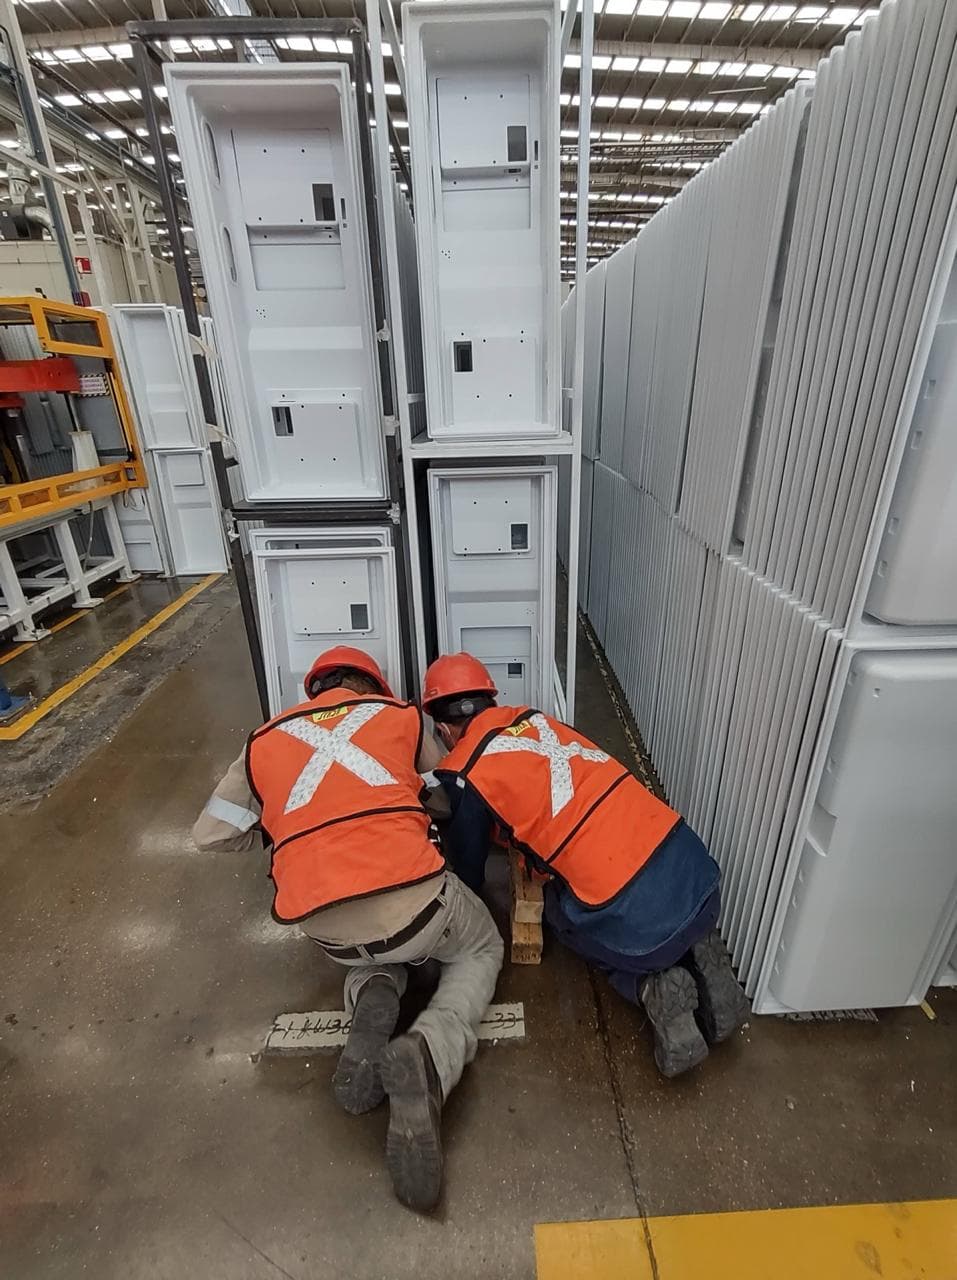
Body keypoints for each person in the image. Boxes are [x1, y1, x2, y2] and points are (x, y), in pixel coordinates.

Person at [193, 645, 503, 1212]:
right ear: (374, 687)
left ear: (314, 691)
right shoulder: (401, 717)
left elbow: (210, 834)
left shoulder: (263, 742)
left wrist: (284, 825)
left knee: (368, 948)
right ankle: (429, 1055)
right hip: (415, 903)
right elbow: (443, 797)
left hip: (323, 927)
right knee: (479, 947)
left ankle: (372, 1002)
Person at [422, 652, 749, 1079]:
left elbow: (468, 869)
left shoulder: (469, 772)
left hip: (631, 917)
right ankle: (699, 944)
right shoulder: (539, 720)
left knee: (562, 917)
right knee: (639, 877)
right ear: (489, 699)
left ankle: (653, 987)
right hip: (690, 868)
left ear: (444, 729)